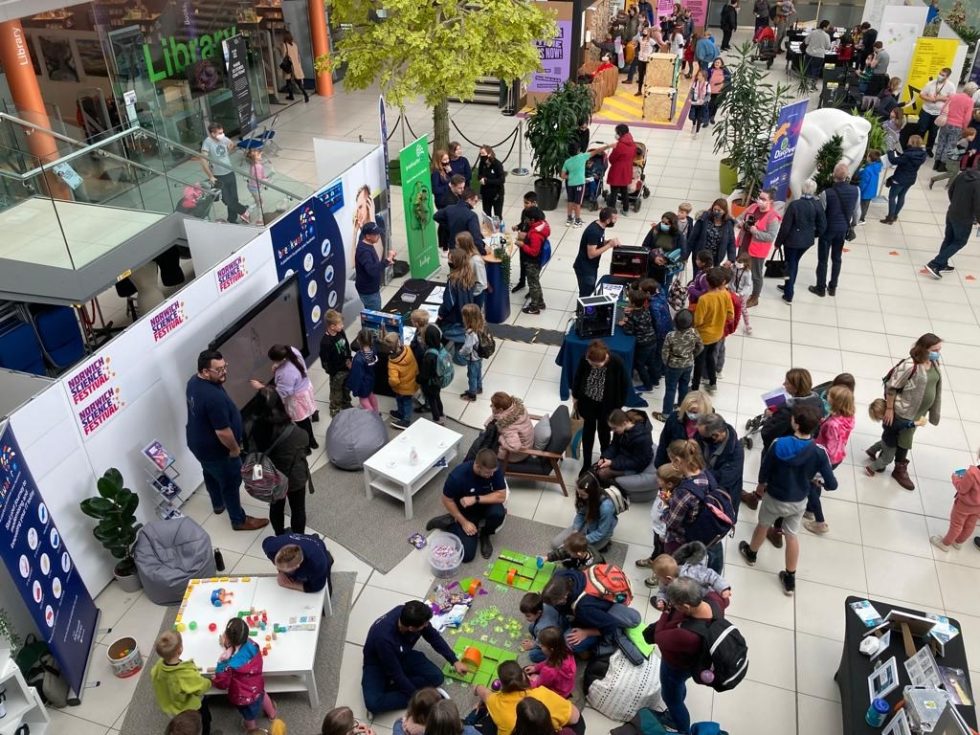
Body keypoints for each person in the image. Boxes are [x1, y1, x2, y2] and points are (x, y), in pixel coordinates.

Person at [742, 405, 838, 595]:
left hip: (774, 496)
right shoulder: (819, 452)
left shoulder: (779, 443)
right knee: (792, 535)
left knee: (763, 525)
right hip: (799, 500)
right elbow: (832, 484)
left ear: (794, 423)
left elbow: (765, 470)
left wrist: (760, 487)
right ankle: (790, 578)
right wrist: (818, 482)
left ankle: (751, 554)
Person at [186, 350, 266, 531]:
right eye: (219, 369)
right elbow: (222, 432)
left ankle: (217, 504)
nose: (224, 372)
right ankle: (238, 520)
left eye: (225, 367)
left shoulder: (193, 382)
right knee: (230, 482)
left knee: (209, 472)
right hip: (218, 450)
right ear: (205, 371)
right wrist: (235, 449)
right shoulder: (213, 397)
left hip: (198, 444)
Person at [645, 577, 729, 733]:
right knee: (678, 685)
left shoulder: (687, 634)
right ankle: (676, 707)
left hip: (677, 665)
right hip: (694, 661)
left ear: (685, 606)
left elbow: (659, 636)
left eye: (674, 604)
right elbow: (726, 599)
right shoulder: (715, 599)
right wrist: (678, 585)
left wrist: (667, 610)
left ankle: (682, 728)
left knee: (672, 698)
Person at [865, 334, 943, 490]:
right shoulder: (909, 365)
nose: (938, 352)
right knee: (905, 440)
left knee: (900, 438)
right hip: (905, 411)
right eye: (935, 349)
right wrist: (889, 409)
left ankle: (879, 454)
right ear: (924, 348)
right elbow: (891, 386)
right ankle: (899, 469)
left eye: (939, 349)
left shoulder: (934, 361)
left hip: (919, 410)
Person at [361, 601, 468, 714]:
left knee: (437, 677)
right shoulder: (384, 639)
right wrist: (419, 699)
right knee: (373, 704)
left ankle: (391, 689)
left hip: (403, 655)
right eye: (425, 624)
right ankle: (411, 693)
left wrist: (454, 660)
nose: (427, 625)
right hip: (378, 664)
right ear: (411, 628)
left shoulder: (411, 615)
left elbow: (434, 637)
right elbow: (396, 674)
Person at [249, 387, 311, 534]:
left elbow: (254, 454)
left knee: (276, 507)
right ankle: (297, 538)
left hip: (272, 477)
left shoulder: (255, 428)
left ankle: (280, 535)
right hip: (294, 476)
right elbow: (305, 441)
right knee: (298, 508)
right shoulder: (292, 429)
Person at [428, 449, 508, 561]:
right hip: (466, 511)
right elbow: (446, 500)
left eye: (493, 472)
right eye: (487, 473)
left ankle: (485, 534)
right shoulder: (457, 476)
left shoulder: (494, 469)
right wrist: (464, 522)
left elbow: (501, 496)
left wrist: (476, 498)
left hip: (485, 503)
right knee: (467, 556)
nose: (491, 475)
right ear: (477, 466)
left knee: (498, 513)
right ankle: (449, 522)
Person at [542, 569, 641, 654]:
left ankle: (596, 646)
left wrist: (586, 632)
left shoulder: (583, 609)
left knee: (570, 643)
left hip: (599, 609)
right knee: (549, 609)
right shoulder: (561, 575)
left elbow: (611, 625)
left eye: (556, 603)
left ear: (564, 597)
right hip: (594, 598)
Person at [475, 661, 582, 735]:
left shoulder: (496, 701)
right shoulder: (542, 693)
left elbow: (483, 692)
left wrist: (477, 688)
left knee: (486, 722)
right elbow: (576, 718)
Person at [804, 385, 855, 535]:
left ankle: (819, 521)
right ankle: (809, 509)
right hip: (838, 457)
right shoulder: (849, 416)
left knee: (810, 485)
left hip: (824, 460)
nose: (827, 397)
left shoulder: (833, 425)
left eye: (830, 396)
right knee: (815, 484)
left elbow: (830, 449)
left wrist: (816, 457)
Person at [571, 340, 629, 465]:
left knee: (604, 434)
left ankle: (603, 460)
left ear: (606, 358)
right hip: (587, 403)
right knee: (587, 433)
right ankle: (586, 463)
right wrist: (575, 397)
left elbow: (625, 385)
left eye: (597, 366)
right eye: (592, 364)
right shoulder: (585, 359)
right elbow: (578, 377)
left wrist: (618, 406)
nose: (594, 367)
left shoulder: (616, 362)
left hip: (607, 406)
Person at [213, 618, 276, 731]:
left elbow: (222, 683)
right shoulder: (252, 644)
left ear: (227, 638)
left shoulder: (228, 664)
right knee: (263, 696)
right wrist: (230, 647)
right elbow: (241, 650)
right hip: (257, 686)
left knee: (248, 716)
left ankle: (252, 730)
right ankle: (272, 715)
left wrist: (220, 664)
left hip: (243, 696)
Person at [250, 344, 317, 449]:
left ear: (282, 359)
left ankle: (307, 446)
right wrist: (278, 366)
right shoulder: (292, 351)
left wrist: (262, 387)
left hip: (297, 399)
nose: (274, 363)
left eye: (275, 361)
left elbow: (281, 393)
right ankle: (312, 442)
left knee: (302, 421)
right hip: (304, 388)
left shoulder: (286, 373)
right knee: (305, 420)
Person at [810, 163, 859, 298]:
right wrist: (852, 226)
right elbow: (857, 212)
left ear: (833, 175)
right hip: (842, 229)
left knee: (823, 260)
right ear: (847, 176)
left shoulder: (827, 193)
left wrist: (816, 229)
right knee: (837, 258)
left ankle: (820, 288)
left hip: (827, 231)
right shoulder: (856, 191)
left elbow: (821, 214)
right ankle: (833, 287)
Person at [151, 631, 213, 735]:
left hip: (171, 707)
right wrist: (209, 682)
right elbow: (201, 687)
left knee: (178, 725)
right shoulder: (184, 675)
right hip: (189, 709)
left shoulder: (159, 665)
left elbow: (154, 676)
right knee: (204, 719)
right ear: (180, 649)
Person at [774, 178, 825, 304]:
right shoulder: (817, 205)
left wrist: (778, 242)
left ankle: (789, 294)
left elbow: (785, 227)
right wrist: (814, 234)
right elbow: (823, 226)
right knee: (794, 262)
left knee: (791, 264)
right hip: (807, 241)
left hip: (791, 241)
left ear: (802, 189)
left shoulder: (795, 205)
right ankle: (787, 286)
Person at [924, 167, 980, 279]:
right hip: (964, 218)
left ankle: (942, 264)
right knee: (960, 242)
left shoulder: (963, 174)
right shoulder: (978, 184)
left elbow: (951, 190)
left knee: (949, 239)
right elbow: (978, 205)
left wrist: (955, 204)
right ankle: (934, 264)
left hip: (952, 212)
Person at [735, 188, 781, 307]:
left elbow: (770, 237)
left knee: (756, 275)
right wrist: (740, 223)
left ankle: (755, 297)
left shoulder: (772, 217)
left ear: (770, 201)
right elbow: (740, 218)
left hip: (757, 251)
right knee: (738, 268)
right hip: (744, 244)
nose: (760, 201)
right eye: (759, 198)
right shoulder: (752, 207)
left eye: (763, 199)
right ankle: (737, 290)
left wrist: (755, 232)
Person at [551, 471, 619, 550]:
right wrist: (575, 530)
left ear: (592, 493)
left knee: (572, 551)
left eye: (582, 495)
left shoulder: (606, 507)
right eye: (578, 493)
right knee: (555, 544)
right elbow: (581, 514)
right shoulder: (585, 497)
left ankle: (605, 543)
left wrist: (582, 540)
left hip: (599, 533)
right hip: (587, 524)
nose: (579, 496)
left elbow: (601, 532)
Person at [694, 412, 744, 520]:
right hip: (700, 487)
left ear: (716, 435)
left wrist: (699, 474)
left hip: (721, 496)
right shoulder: (701, 435)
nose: (698, 437)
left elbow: (726, 478)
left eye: (703, 436)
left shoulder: (736, 451)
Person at [691, 268, 733, 393]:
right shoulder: (726, 293)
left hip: (703, 337)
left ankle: (694, 388)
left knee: (699, 362)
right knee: (710, 357)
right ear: (722, 282)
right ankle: (713, 383)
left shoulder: (704, 299)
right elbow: (730, 315)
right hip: (718, 334)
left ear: (707, 283)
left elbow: (698, 321)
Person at [649, 542, 732, 605]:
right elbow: (663, 592)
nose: (657, 578)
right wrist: (662, 600)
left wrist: (723, 588)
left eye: (658, 577)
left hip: (703, 598)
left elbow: (711, 576)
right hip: (682, 602)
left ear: (668, 578)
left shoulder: (691, 573)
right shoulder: (664, 582)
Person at [199, 123, 248, 224]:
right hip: (218, 176)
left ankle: (232, 219)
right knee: (226, 199)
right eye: (219, 133)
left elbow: (231, 145)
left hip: (229, 172)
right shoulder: (207, 143)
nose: (222, 134)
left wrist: (231, 146)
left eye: (223, 132)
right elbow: (203, 161)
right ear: (213, 134)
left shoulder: (224, 138)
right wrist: (211, 176)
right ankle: (243, 210)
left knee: (234, 198)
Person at [931, 457, 980, 552]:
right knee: (970, 525)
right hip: (978, 508)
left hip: (963, 506)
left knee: (956, 525)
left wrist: (956, 478)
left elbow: (962, 488)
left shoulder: (972, 474)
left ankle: (945, 543)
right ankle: (958, 542)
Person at [596, 408, 654, 487]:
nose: (613, 431)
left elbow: (638, 462)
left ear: (624, 423)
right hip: (624, 458)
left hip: (636, 465)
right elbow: (614, 445)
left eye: (614, 428)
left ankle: (610, 491)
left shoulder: (642, 438)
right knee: (597, 467)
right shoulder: (621, 429)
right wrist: (604, 457)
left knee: (603, 473)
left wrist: (613, 463)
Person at [262, 531, 333, 592]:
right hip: (299, 540)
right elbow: (266, 541)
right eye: (278, 566)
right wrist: (281, 572)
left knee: (325, 585)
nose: (279, 569)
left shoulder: (317, 563)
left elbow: (317, 587)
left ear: (297, 566)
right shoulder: (271, 546)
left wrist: (290, 584)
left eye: (284, 570)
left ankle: (328, 556)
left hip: (317, 546)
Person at [618, 289, 659, 391]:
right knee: (651, 361)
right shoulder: (646, 310)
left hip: (643, 344)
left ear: (632, 303)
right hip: (653, 340)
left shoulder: (632, 316)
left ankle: (647, 385)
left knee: (639, 364)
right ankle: (655, 380)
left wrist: (623, 323)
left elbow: (628, 331)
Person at [881, 135, 927, 224]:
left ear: (912, 142)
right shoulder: (922, 154)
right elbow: (904, 160)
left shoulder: (908, 155)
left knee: (892, 196)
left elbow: (894, 160)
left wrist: (890, 151)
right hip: (911, 179)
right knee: (901, 196)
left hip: (900, 178)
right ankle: (895, 216)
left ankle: (890, 217)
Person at [439, 249, 477, 353]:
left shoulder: (453, 281)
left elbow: (449, 303)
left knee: (443, 329)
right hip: (466, 315)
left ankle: (462, 339)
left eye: (450, 260)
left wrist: (440, 314)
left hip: (455, 317)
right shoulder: (469, 275)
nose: (449, 261)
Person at [933, 83, 977, 170]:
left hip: (945, 123)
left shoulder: (953, 96)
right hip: (957, 126)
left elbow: (943, 109)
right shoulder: (970, 101)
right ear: (972, 91)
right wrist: (964, 128)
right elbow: (967, 117)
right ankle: (942, 165)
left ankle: (936, 163)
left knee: (941, 142)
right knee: (950, 145)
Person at [523, 627, 576, 698]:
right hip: (566, 687)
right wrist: (536, 668)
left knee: (530, 682)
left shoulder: (549, 670)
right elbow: (549, 661)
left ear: (551, 649)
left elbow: (539, 685)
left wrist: (529, 681)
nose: (540, 646)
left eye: (542, 645)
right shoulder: (566, 650)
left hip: (557, 693)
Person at [320, 310, 353, 417]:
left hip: (346, 367)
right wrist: (332, 372)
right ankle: (335, 408)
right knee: (336, 390)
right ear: (332, 326)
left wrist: (349, 359)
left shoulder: (340, 332)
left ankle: (346, 402)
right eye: (340, 324)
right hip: (336, 371)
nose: (342, 326)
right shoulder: (325, 342)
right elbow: (325, 361)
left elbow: (346, 345)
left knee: (346, 387)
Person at [354, 222, 394, 312]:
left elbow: (373, 266)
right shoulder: (365, 252)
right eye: (375, 234)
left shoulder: (364, 243)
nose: (378, 236)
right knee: (375, 315)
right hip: (369, 291)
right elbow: (372, 270)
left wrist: (385, 263)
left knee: (370, 312)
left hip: (368, 288)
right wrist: (387, 260)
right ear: (368, 236)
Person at [518, 206, 550, 314]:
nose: (526, 221)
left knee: (533, 284)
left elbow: (533, 251)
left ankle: (534, 307)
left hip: (533, 262)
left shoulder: (535, 235)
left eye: (528, 219)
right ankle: (540, 303)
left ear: (533, 220)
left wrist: (522, 244)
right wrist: (527, 236)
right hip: (538, 261)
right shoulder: (542, 225)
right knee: (536, 282)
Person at [916, 68, 956, 156]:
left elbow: (952, 98)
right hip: (926, 110)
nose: (940, 76)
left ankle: (928, 149)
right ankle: (917, 147)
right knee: (921, 130)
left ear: (947, 77)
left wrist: (940, 98)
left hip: (938, 113)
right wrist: (929, 99)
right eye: (940, 74)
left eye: (943, 75)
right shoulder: (931, 83)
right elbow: (921, 94)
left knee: (933, 133)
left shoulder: (951, 86)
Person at [435, 189, 486, 254]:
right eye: (475, 201)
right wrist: (483, 251)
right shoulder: (472, 215)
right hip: (465, 250)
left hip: (452, 249)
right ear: (469, 200)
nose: (476, 203)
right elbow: (476, 238)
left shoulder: (449, 208)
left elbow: (436, 216)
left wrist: (449, 226)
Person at [486, 392, 534, 461]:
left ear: (500, 410)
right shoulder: (516, 408)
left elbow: (515, 447)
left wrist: (500, 438)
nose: (491, 406)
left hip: (517, 454)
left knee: (484, 449)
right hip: (526, 441)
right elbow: (497, 417)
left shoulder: (507, 425)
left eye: (492, 405)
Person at [385, 333, 419, 430]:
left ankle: (406, 420)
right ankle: (400, 413)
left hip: (401, 388)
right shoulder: (408, 349)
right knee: (404, 400)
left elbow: (394, 380)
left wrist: (390, 382)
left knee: (404, 402)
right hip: (412, 382)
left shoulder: (392, 364)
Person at [642, 212, 686, 285]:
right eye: (662, 222)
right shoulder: (655, 230)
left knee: (663, 291)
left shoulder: (679, 235)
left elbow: (683, 253)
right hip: (652, 268)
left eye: (666, 224)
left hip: (667, 270)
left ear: (672, 225)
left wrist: (667, 260)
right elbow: (645, 246)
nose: (663, 225)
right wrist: (654, 257)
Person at [519, 592, 563, 664]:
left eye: (528, 616)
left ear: (538, 612)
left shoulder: (542, 627)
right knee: (531, 627)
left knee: (533, 655)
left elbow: (545, 641)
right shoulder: (543, 605)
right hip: (554, 626)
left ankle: (556, 656)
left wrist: (533, 645)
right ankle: (537, 639)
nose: (526, 618)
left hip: (553, 640)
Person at [604, 124, 637, 214]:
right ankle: (625, 210)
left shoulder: (619, 145)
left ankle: (611, 211)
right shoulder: (633, 144)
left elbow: (612, 158)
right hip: (627, 170)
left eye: (616, 132)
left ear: (620, 133)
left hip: (617, 171)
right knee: (624, 191)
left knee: (614, 192)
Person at [512, 191, 539, 293]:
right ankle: (522, 282)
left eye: (527, 203)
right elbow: (523, 223)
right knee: (522, 263)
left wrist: (526, 236)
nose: (525, 205)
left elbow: (537, 232)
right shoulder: (524, 212)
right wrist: (517, 227)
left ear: (534, 203)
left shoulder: (538, 216)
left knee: (531, 267)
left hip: (531, 244)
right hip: (522, 242)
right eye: (524, 202)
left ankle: (532, 288)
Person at [419, 325, 446, 425]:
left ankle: (437, 419)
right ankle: (442, 414)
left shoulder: (429, 356)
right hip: (438, 380)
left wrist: (418, 379)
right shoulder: (440, 347)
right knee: (437, 398)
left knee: (432, 401)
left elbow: (424, 375)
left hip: (430, 383)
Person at [348, 329, 379, 413]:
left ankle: (372, 416)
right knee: (371, 395)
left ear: (358, 341)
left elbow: (357, 376)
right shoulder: (373, 351)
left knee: (363, 400)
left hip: (363, 384)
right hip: (371, 380)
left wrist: (355, 390)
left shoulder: (358, 359)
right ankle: (376, 412)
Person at [459, 303, 485, 402]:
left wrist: (461, 352)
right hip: (479, 355)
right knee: (478, 372)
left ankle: (472, 394)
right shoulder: (481, 325)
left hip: (472, 358)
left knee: (471, 376)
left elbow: (468, 348)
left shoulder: (471, 333)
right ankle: (479, 387)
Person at [561, 143, 590, 227]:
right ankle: (577, 220)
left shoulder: (567, 162)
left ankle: (569, 218)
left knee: (570, 201)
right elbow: (596, 151)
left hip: (570, 184)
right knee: (577, 203)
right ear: (578, 150)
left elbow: (562, 175)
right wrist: (608, 146)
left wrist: (571, 176)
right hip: (580, 184)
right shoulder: (582, 157)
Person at [455, 232, 487, 309]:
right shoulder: (464, 256)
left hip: (474, 295)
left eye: (457, 244)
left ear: (463, 245)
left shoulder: (476, 261)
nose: (455, 246)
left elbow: (481, 283)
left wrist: (471, 295)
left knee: (473, 317)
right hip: (466, 292)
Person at [477, 145, 506, 218]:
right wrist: (481, 178)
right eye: (480, 154)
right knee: (487, 215)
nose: (481, 155)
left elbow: (501, 180)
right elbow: (479, 175)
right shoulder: (482, 163)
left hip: (497, 194)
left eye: (483, 153)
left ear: (489, 153)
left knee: (497, 215)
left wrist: (487, 181)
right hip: (486, 194)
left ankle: (498, 228)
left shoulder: (497, 164)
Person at [281, 32, 309, 102]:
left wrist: (279, 49)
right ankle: (305, 94)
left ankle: (291, 96)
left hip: (289, 66)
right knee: (298, 81)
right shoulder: (294, 44)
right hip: (296, 65)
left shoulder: (284, 45)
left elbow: (283, 55)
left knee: (288, 81)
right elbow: (297, 55)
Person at [857, 150, 883, 223]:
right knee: (866, 205)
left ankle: (861, 219)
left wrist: (859, 189)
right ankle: (862, 217)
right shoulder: (876, 167)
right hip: (871, 191)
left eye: (868, 156)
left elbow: (864, 182)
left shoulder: (868, 169)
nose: (867, 157)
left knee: (862, 206)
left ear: (870, 158)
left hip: (865, 191)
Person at [706, 59, 730, 125]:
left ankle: (712, 117)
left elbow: (728, 78)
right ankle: (707, 117)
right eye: (716, 62)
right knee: (711, 104)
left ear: (721, 64)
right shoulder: (710, 70)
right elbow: (705, 77)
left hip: (720, 91)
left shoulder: (724, 71)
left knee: (716, 104)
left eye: (718, 63)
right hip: (711, 90)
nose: (717, 64)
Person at [636, 29, 657, 95]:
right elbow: (638, 46)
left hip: (647, 60)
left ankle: (647, 91)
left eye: (646, 31)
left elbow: (657, 47)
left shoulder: (651, 40)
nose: (644, 32)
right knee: (640, 75)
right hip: (640, 59)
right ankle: (639, 90)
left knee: (648, 75)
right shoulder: (640, 39)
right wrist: (638, 52)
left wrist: (652, 54)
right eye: (643, 31)